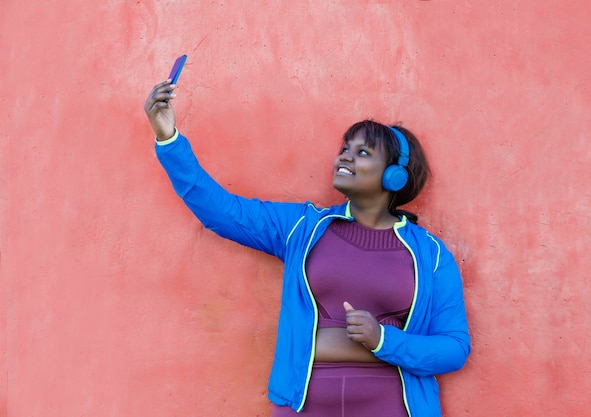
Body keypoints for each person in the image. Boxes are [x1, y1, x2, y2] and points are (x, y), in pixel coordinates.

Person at [144, 79, 471, 417]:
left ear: (394, 177)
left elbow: (454, 347)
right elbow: (222, 212)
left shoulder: (430, 254)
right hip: (304, 403)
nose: (345, 155)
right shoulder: (303, 227)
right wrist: (169, 139)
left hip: (393, 405)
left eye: (362, 152)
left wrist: (384, 341)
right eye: (345, 148)